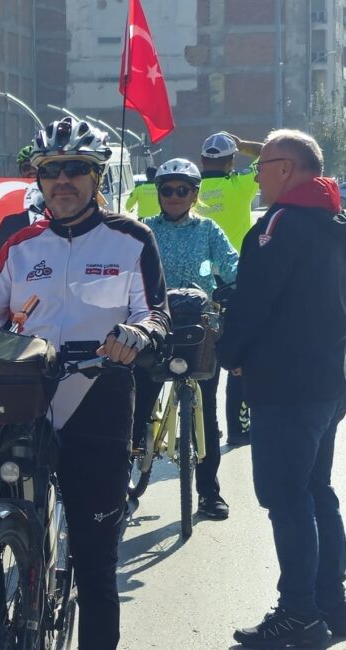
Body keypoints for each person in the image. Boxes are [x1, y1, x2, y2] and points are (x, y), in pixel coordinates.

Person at [0, 117, 169, 650]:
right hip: (26, 396)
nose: (62, 180)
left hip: (98, 396)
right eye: (51, 170)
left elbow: (155, 313)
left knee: (95, 561)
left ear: (96, 176)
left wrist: (138, 334)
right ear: (39, 179)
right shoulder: (22, 244)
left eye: (75, 169)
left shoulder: (131, 238)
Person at [217, 130, 346, 648]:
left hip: (286, 386)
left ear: (286, 169)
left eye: (261, 167)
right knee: (316, 491)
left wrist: (228, 355)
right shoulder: (334, 221)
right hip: (327, 382)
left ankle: (299, 613)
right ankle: (331, 604)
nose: (256, 178)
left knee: (287, 498)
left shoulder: (278, 225)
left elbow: (252, 303)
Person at [133, 158, 238, 520]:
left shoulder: (208, 230)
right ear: (158, 193)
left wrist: (238, 282)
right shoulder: (144, 229)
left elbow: (231, 264)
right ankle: (121, 484)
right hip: (155, 326)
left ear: (195, 194)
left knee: (205, 413)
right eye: (167, 190)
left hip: (199, 330)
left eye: (182, 190)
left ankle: (209, 493)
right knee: (137, 405)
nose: (174, 196)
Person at [199, 131, 263, 446]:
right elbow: (268, 154)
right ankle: (238, 428)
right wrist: (244, 144)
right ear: (231, 161)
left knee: (199, 358)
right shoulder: (240, 185)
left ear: (202, 161)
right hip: (237, 282)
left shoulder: (190, 189)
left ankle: (200, 428)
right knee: (238, 358)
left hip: (200, 284)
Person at [0, 144, 46, 267]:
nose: (32, 171)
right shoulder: (10, 222)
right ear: (20, 172)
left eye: (37, 167)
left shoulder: (63, 213)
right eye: (26, 167)